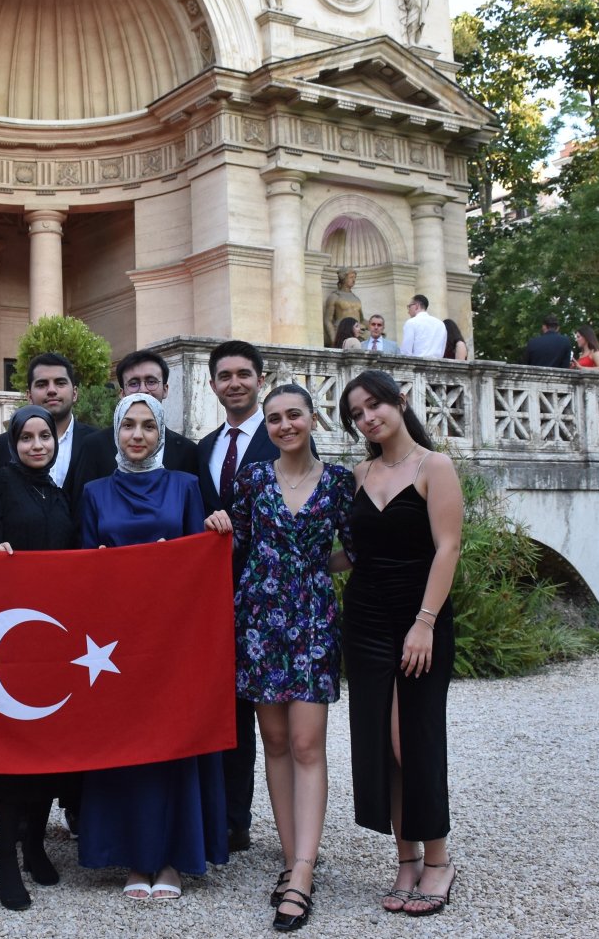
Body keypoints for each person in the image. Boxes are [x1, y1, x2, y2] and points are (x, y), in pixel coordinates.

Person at [205, 384, 355, 933]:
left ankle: (304, 871)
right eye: (274, 419)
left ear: (313, 419)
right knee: (272, 742)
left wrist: (312, 568)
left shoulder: (340, 482)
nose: (285, 425)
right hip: (260, 618)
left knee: (306, 742)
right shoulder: (252, 479)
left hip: (312, 618)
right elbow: (237, 540)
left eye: (294, 415)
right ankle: (293, 861)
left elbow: (354, 549)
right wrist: (219, 525)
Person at [79, 392, 227, 901]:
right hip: (115, 646)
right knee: (125, 748)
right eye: (128, 426)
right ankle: (132, 858)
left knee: (170, 745)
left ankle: (171, 859)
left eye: (147, 426)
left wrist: (215, 529)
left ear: (161, 433)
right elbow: (80, 569)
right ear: (116, 432)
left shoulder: (186, 487)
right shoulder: (94, 492)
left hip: (171, 642)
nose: (137, 435)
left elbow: (199, 565)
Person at [339, 370, 464, 918]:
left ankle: (438, 860)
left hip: (419, 616)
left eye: (375, 405)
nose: (369, 417)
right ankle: (405, 858)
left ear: (399, 402)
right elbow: (350, 554)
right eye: (357, 413)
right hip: (365, 615)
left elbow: (448, 548)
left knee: (412, 737)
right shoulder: (359, 472)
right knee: (379, 745)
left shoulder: (434, 466)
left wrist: (425, 622)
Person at [0, 405, 79, 910]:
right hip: (9, 639)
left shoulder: (56, 491)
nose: (36, 444)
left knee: (49, 746)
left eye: (44, 436)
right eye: (27, 437)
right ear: (11, 442)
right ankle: (6, 858)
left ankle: (34, 844)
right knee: (13, 751)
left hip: (53, 639)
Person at [195, 340, 277, 855]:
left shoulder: (284, 436)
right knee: (217, 709)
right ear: (212, 385)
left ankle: (241, 820)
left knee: (254, 715)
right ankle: (218, 815)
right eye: (225, 376)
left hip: (265, 601)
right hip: (208, 600)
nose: (235, 383)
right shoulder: (202, 448)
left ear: (260, 379)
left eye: (244, 374)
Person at [0, 352, 111, 517]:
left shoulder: (99, 442)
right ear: (29, 396)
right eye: (42, 384)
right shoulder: (3, 444)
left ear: (74, 393)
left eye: (60, 383)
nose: (51, 390)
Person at [87, 349, 199, 474]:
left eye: (151, 382)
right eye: (133, 383)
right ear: (122, 393)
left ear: (165, 389)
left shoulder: (187, 451)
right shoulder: (94, 446)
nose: (143, 390)